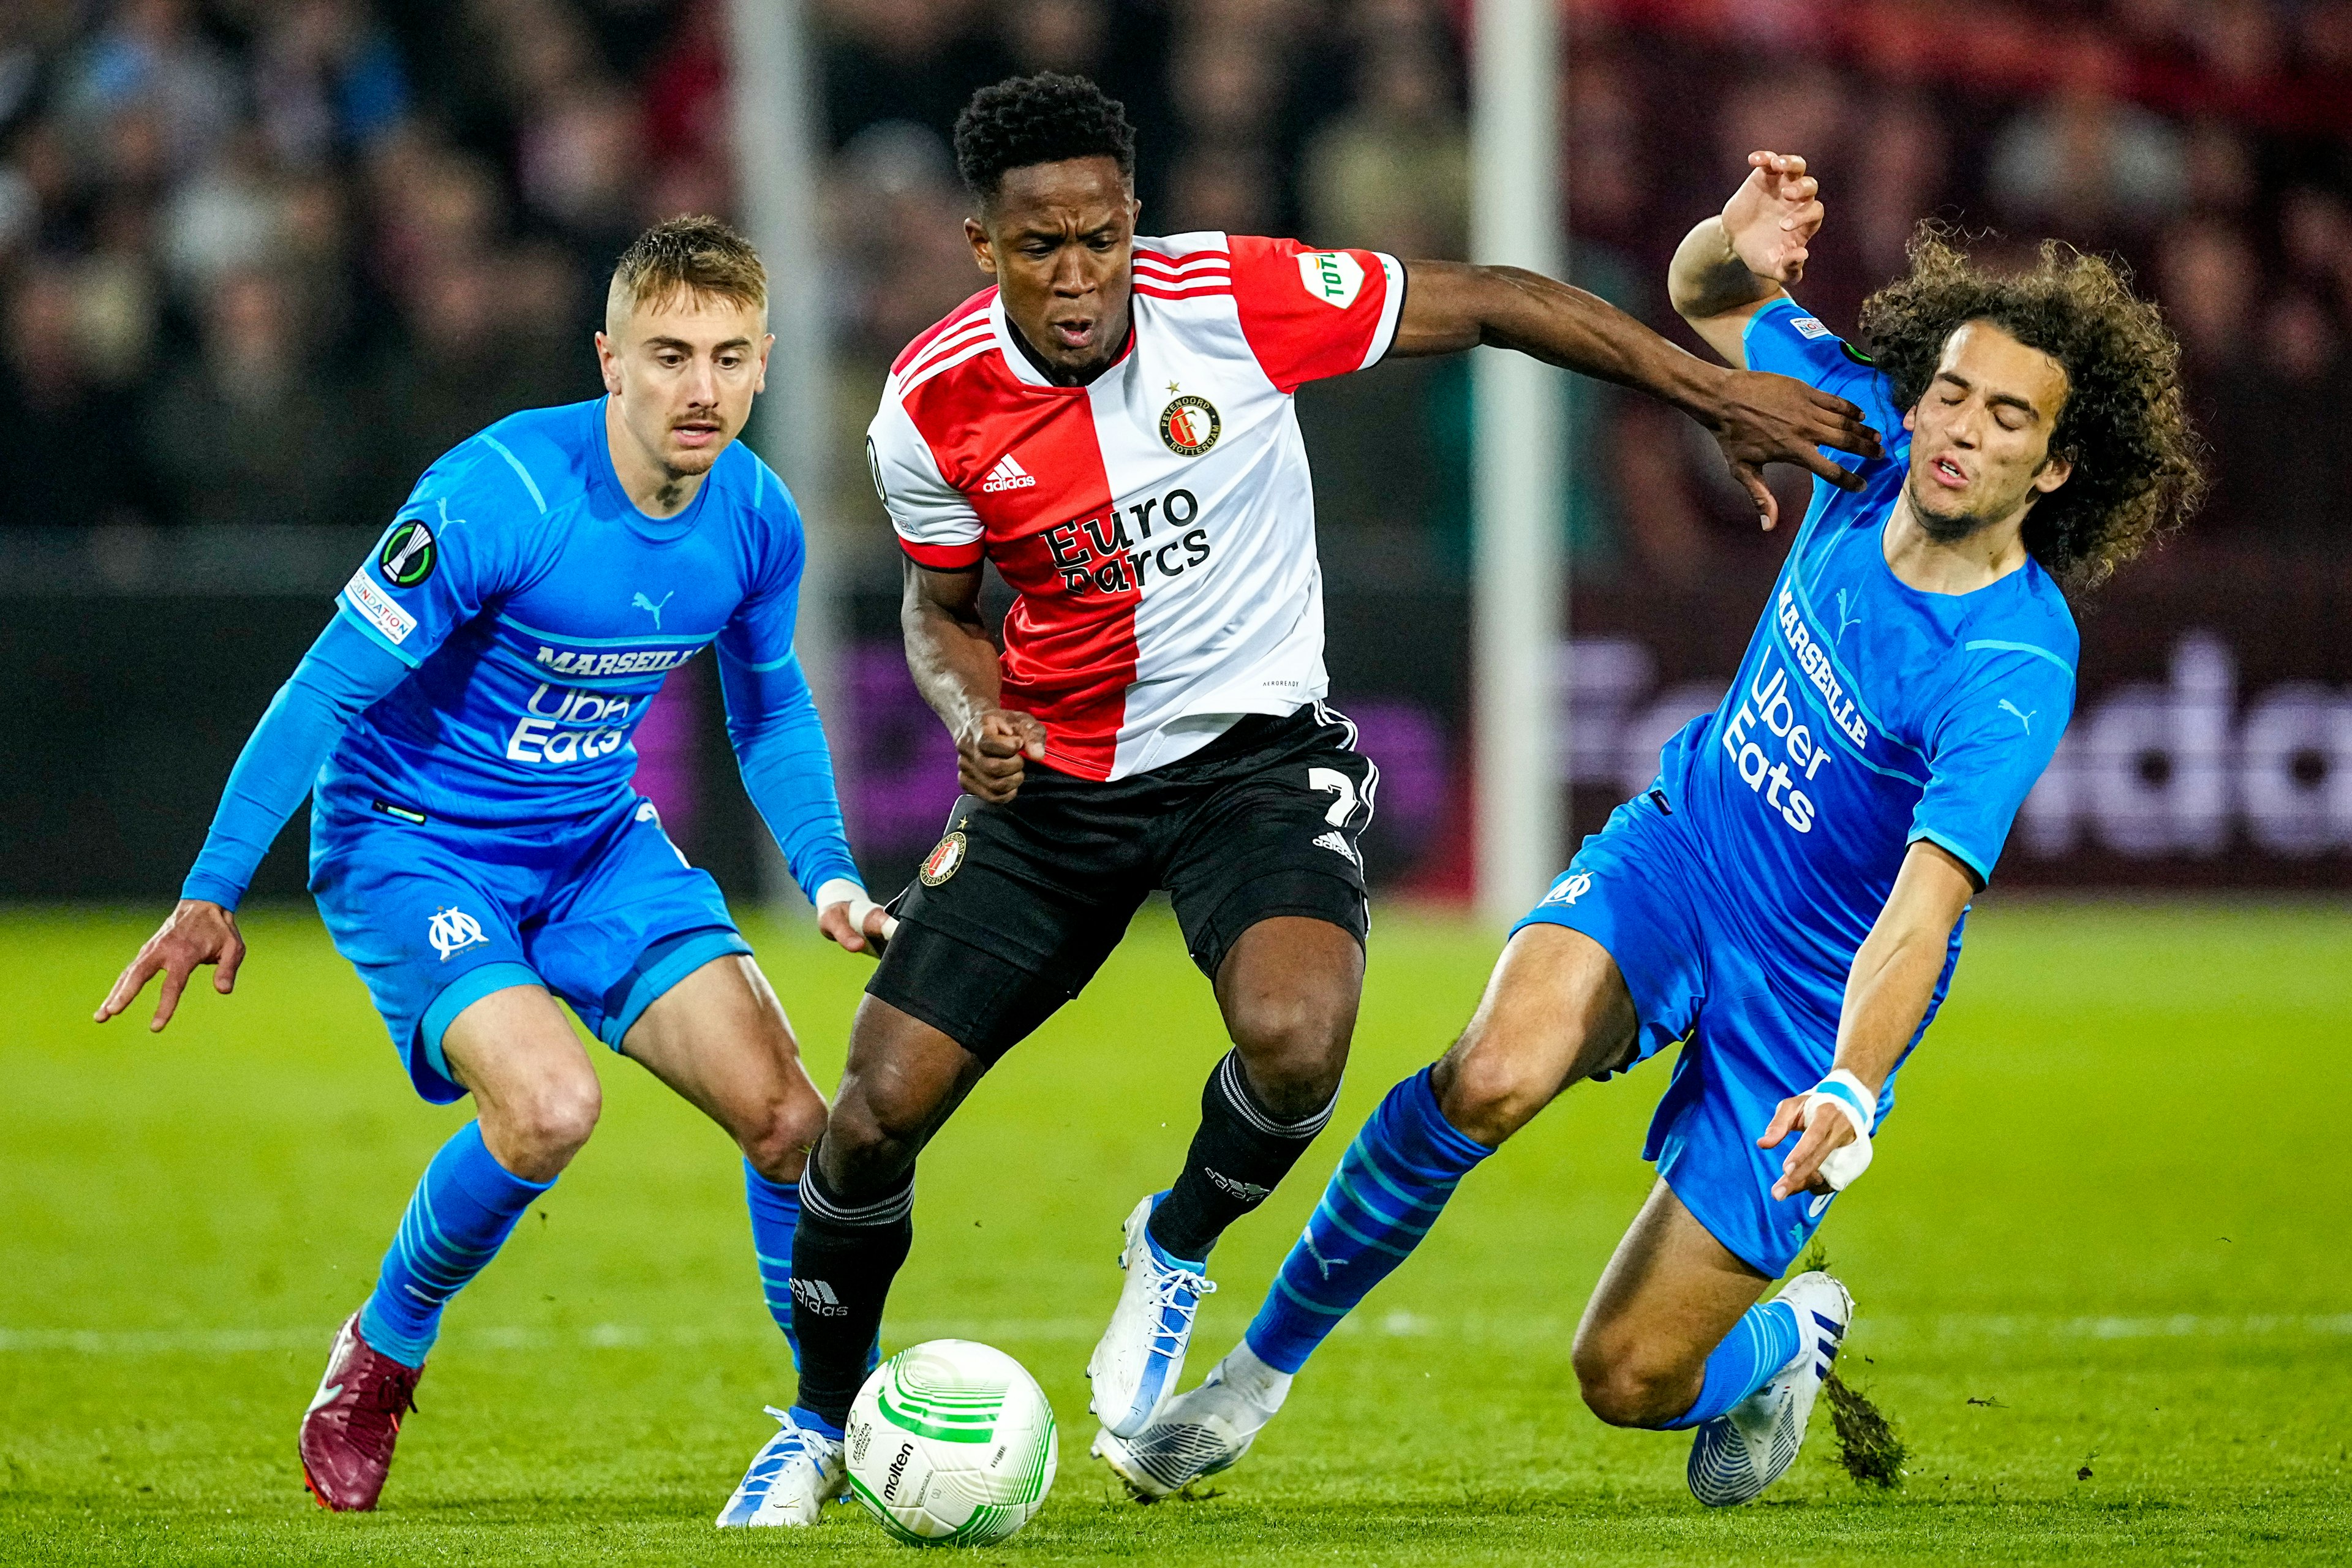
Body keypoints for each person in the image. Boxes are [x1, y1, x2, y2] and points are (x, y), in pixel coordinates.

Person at [750, 77, 1885, 1527]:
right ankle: (816, 1421)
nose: (1080, 272)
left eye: (1101, 235)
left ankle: (1171, 1248)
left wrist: (1714, 390)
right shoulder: (928, 403)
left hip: (1254, 763)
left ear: (1134, 221)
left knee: (1297, 1040)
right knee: (873, 1113)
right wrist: (980, 708)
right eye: (1043, 247)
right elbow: (940, 606)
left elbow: (1493, 299)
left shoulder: (1229, 295)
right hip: (1065, 790)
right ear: (986, 245)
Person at [1102, 151, 2204, 1507]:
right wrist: (1729, 236)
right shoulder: (1859, 434)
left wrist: (1852, 1082)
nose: (1958, 430)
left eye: (2006, 419)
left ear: (2056, 466)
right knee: (1491, 1071)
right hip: (1681, 856)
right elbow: (1704, 292)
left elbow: (1927, 903)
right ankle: (1249, 1382)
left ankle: (1791, 1335)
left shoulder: (2010, 667)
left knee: (1628, 1375)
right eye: (1951, 394)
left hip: (1809, 1002)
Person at [92, 216, 895, 1517]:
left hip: (591, 840)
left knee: (794, 1120)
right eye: (670, 354)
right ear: (609, 361)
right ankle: (384, 1347)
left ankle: (835, 1413)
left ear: (764, 368)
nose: (701, 388)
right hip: (417, 845)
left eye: (731, 357)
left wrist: (830, 874)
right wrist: (213, 884)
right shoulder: (497, 495)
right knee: (550, 1105)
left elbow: (771, 704)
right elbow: (320, 690)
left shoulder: (755, 513)